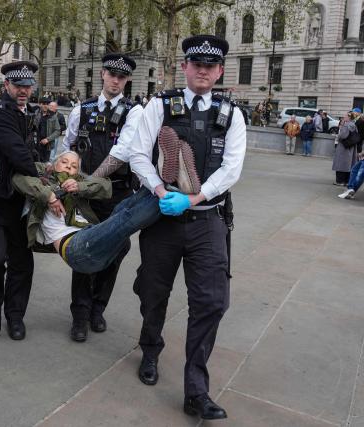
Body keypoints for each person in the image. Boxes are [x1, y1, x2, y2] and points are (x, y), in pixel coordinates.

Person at [129, 34, 246, 420]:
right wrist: (162, 189)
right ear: (184, 67)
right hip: (163, 218)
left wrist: (194, 198)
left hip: (208, 219)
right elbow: (137, 155)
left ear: (220, 72)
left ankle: (196, 390)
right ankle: (150, 349)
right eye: (196, 64)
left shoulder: (232, 114)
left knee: (212, 301)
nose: (202, 71)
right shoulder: (160, 106)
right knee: (153, 291)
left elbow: (232, 169)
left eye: (210, 66)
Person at [61, 53, 143, 342]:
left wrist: (91, 181)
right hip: (83, 197)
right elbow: (67, 147)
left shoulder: (135, 112)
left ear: (127, 80)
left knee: (113, 253)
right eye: (112, 74)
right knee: (83, 251)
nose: (116, 80)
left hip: (116, 194)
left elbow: (123, 151)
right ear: (102, 75)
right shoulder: (80, 110)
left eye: (122, 77)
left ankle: (98, 308)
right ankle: (80, 315)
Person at [13, 151, 161, 274]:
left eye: (73, 166)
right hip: (75, 247)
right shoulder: (42, 174)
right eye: (64, 162)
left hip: (90, 237)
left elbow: (105, 185)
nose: (68, 167)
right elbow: (18, 178)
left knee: (123, 207)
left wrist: (80, 186)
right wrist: (49, 196)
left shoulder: (78, 181)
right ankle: (168, 196)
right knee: (124, 219)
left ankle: (162, 184)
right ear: (54, 163)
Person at [0, 61, 39, 341]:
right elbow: (19, 154)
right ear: (7, 86)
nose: (24, 90)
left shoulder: (29, 114)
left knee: (22, 263)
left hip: (19, 203)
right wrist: (44, 179)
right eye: (18, 86)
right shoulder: (1, 115)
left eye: (28, 86)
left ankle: (15, 315)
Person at [332, 111, 359, 186]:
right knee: (349, 164)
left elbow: (343, 136)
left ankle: (340, 181)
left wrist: (338, 136)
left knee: (341, 163)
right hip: (351, 147)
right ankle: (346, 181)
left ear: (349, 117)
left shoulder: (346, 125)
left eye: (345, 116)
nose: (344, 117)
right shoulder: (353, 124)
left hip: (344, 148)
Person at [34, 97, 60, 162]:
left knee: (45, 163)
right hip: (35, 143)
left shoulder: (52, 115)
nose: (45, 106)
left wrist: (47, 139)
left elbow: (57, 131)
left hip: (47, 145)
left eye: (47, 104)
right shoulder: (35, 113)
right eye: (44, 104)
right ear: (40, 104)